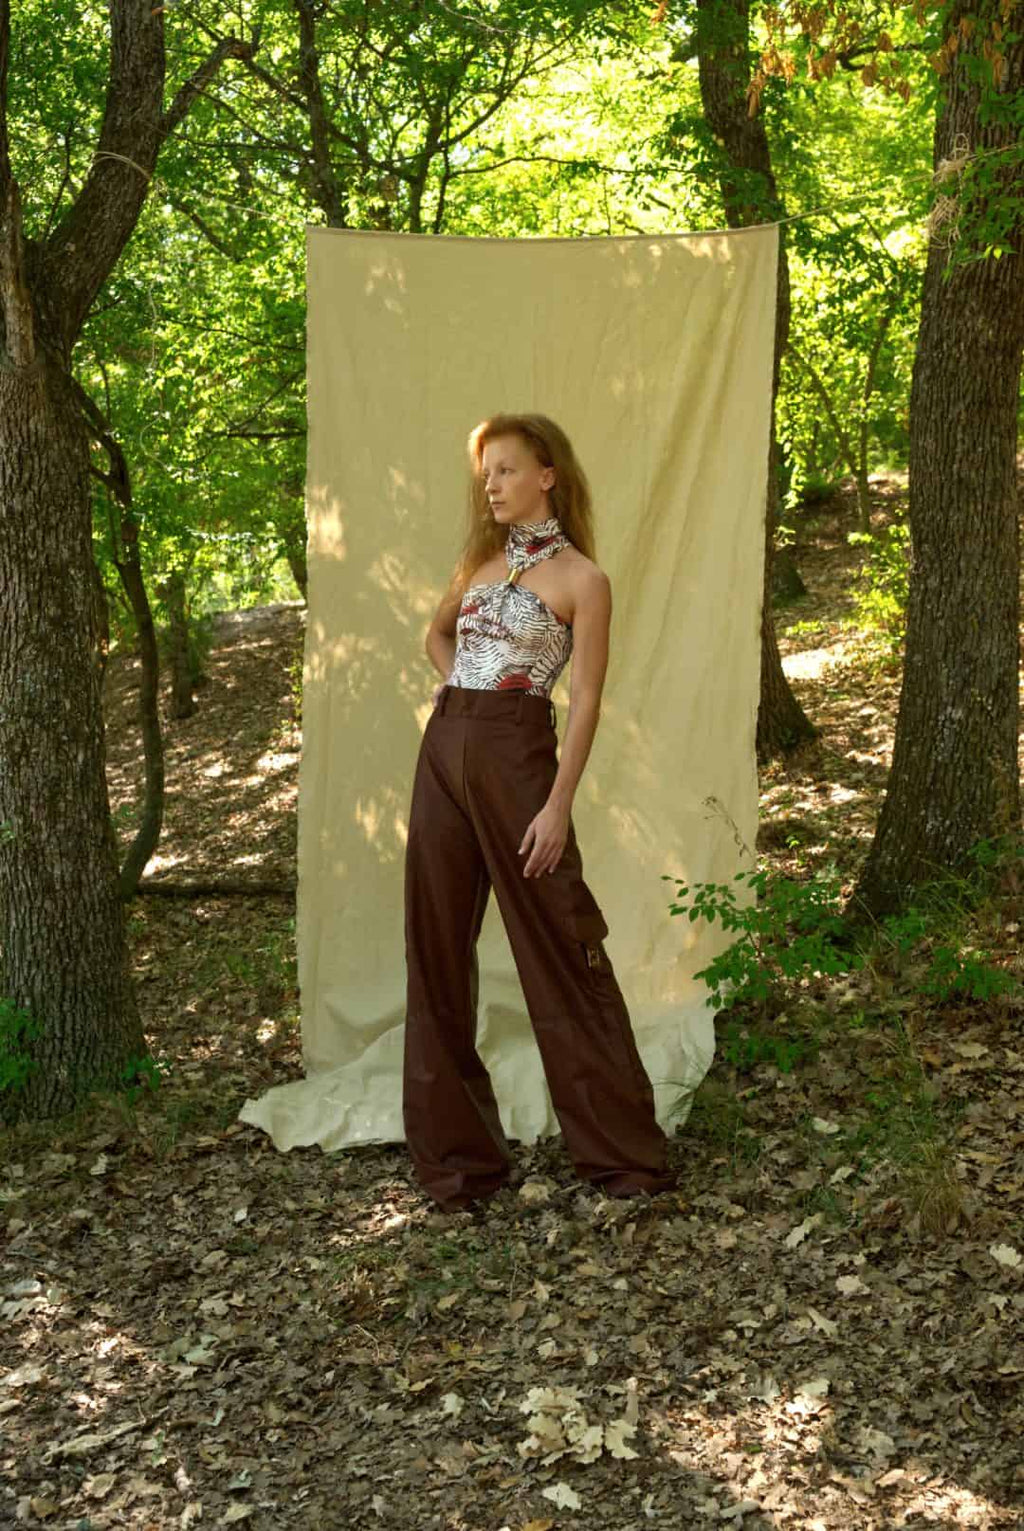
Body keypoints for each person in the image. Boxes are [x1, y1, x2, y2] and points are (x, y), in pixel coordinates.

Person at [403, 412, 675, 1212]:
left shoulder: (583, 580)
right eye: (485, 473)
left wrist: (558, 805)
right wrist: (456, 691)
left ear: (547, 475)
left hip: (519, 756)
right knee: (436, 949)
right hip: (446, 752)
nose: (491, 484)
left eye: (507, 470)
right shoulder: (479, 565)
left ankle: (623, 1161)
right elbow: (434, 634)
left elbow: (586, 702)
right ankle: (459, 1167)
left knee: (559, 944)